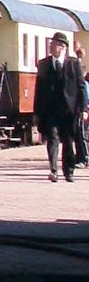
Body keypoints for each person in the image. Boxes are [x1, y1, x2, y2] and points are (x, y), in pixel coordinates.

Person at [35, 32, 86, 183]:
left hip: (69, 111)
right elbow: (38, 90)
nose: (51, 46)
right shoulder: (44, 64)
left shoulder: (74, 64)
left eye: (54, 44)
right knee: (52, 139)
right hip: (50, 110)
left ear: (63, 47)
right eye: (51, 44)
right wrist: (36, 113)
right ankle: (53, 170)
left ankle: (68, 171)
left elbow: (81, 87)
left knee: (68, 142)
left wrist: (83, 109)